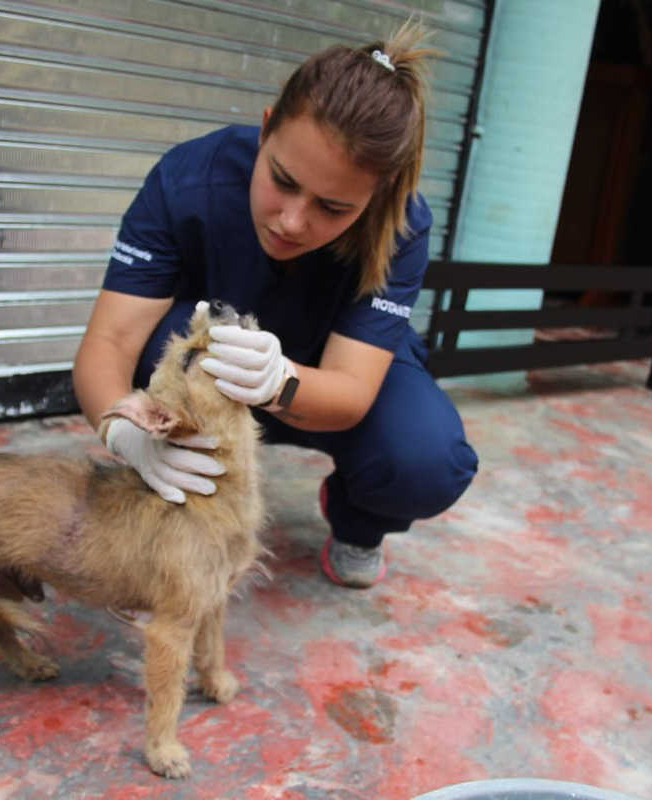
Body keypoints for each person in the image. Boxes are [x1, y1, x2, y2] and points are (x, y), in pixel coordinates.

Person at [73, 22, 478, 589]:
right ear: (266, 130)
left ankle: (359, 521)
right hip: (211, 374)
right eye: (282, 180)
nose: (291, 221)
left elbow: (352, 392)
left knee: (426, 458)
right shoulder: (188, 178)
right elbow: (110, 341)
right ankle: (169, 511)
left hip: (318, 378)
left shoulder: (403, 224)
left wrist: (280, 381)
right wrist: (125, 433)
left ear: (377, 194)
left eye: (333, 208)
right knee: (151, 351)